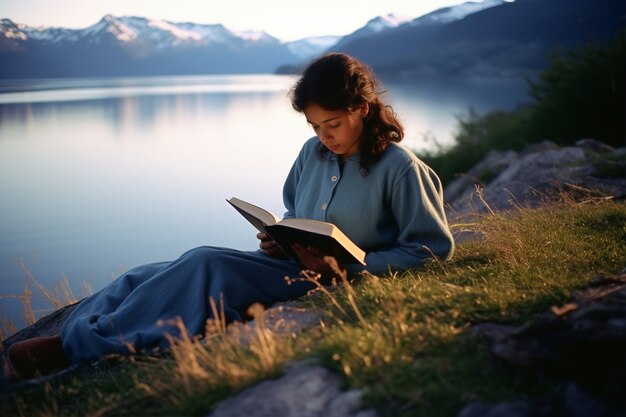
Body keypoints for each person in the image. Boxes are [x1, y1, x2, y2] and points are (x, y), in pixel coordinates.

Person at [7, 53, 454, 378]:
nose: (324, 136)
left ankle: (72, 348)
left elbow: (431, 248)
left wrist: (354, 267)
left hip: (325, 279)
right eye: (315, 126)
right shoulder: (312, 154)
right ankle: (82, 326)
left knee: (204, 261)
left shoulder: (401, 169)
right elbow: (296, 214)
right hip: (287, 263)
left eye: (332, 124)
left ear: (361, 108)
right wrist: (277, 237)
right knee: (149, 273)